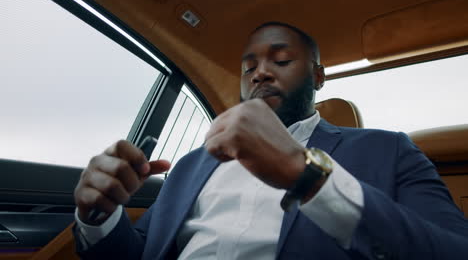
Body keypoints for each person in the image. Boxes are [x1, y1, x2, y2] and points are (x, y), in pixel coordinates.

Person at [73, 21, 468, 259]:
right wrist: (101, 218)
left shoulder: (389, 149)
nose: (260, 74)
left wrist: (308, 174)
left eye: (280, 61)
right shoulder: (191, 164)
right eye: (249, 67)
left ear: (318, 77)